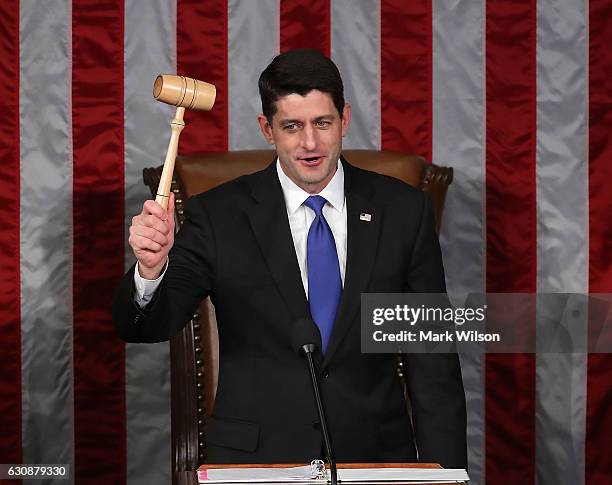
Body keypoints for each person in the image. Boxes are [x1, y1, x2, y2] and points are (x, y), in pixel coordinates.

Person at [113, 49, 467, 468]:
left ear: (345, 119)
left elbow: (432, 361)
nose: (310, 143)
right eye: (292, 126)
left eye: (322, 123)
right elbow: (147, 325)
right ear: (267, 129)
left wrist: (447, 475)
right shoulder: (219, 215)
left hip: (374, 458)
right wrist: (151, 271)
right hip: (258, 461)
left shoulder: (402, 211)